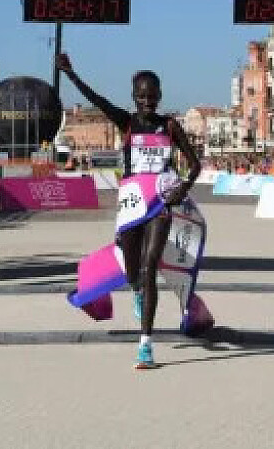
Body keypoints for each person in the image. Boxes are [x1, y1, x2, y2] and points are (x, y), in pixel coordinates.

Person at [57, 53, 201, 369]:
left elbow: (195, 164)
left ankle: (145, 345)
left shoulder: (170, 126)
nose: (147, 101)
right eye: (141, 96)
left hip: (160, 202)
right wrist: (70, 74)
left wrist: (183, 188)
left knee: (150, 267)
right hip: (132, 202)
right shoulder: (126, 122)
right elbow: (96, 99)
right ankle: (136, 289)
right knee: (134, 269)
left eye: (152, 96)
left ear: (160, 95)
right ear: (134, 97)